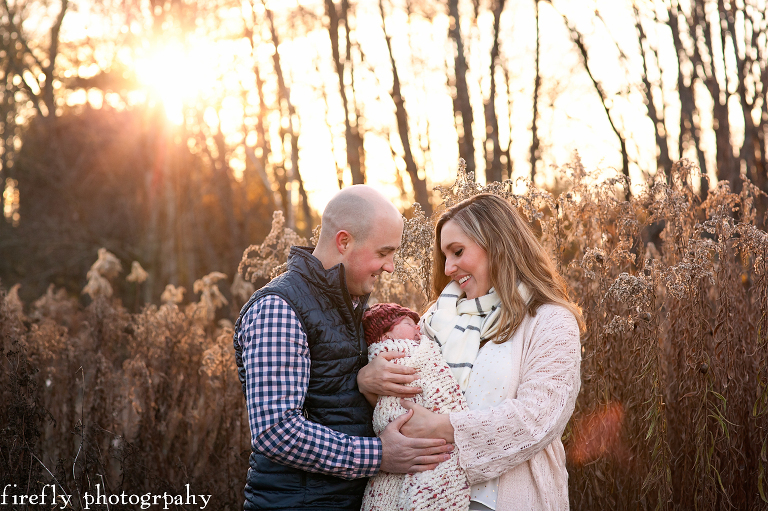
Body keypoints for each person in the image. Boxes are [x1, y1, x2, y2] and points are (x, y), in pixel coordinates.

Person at [232, 185, 455, 511]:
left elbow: (331, 395)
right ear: (344, 242)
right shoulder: (278, 308)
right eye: (383, 253)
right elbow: (276, 431)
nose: (390, 267)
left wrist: (366, 379)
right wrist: (380, 455)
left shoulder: (351, 305)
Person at [358, 193, 584, 511]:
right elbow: (405, 403)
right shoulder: (437, 318)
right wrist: (368, 382)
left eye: (458, 251)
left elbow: (537, 419)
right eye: (445, 256)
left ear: (497, 245)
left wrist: (442, 427)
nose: (449, 267)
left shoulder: (549, 321)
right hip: (427, 498)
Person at [360, 303, 470, 511]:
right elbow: (387, 410)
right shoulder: (388, 362)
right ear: (385, 336)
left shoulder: (424, 349)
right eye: (408, 324)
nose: (418, 328)